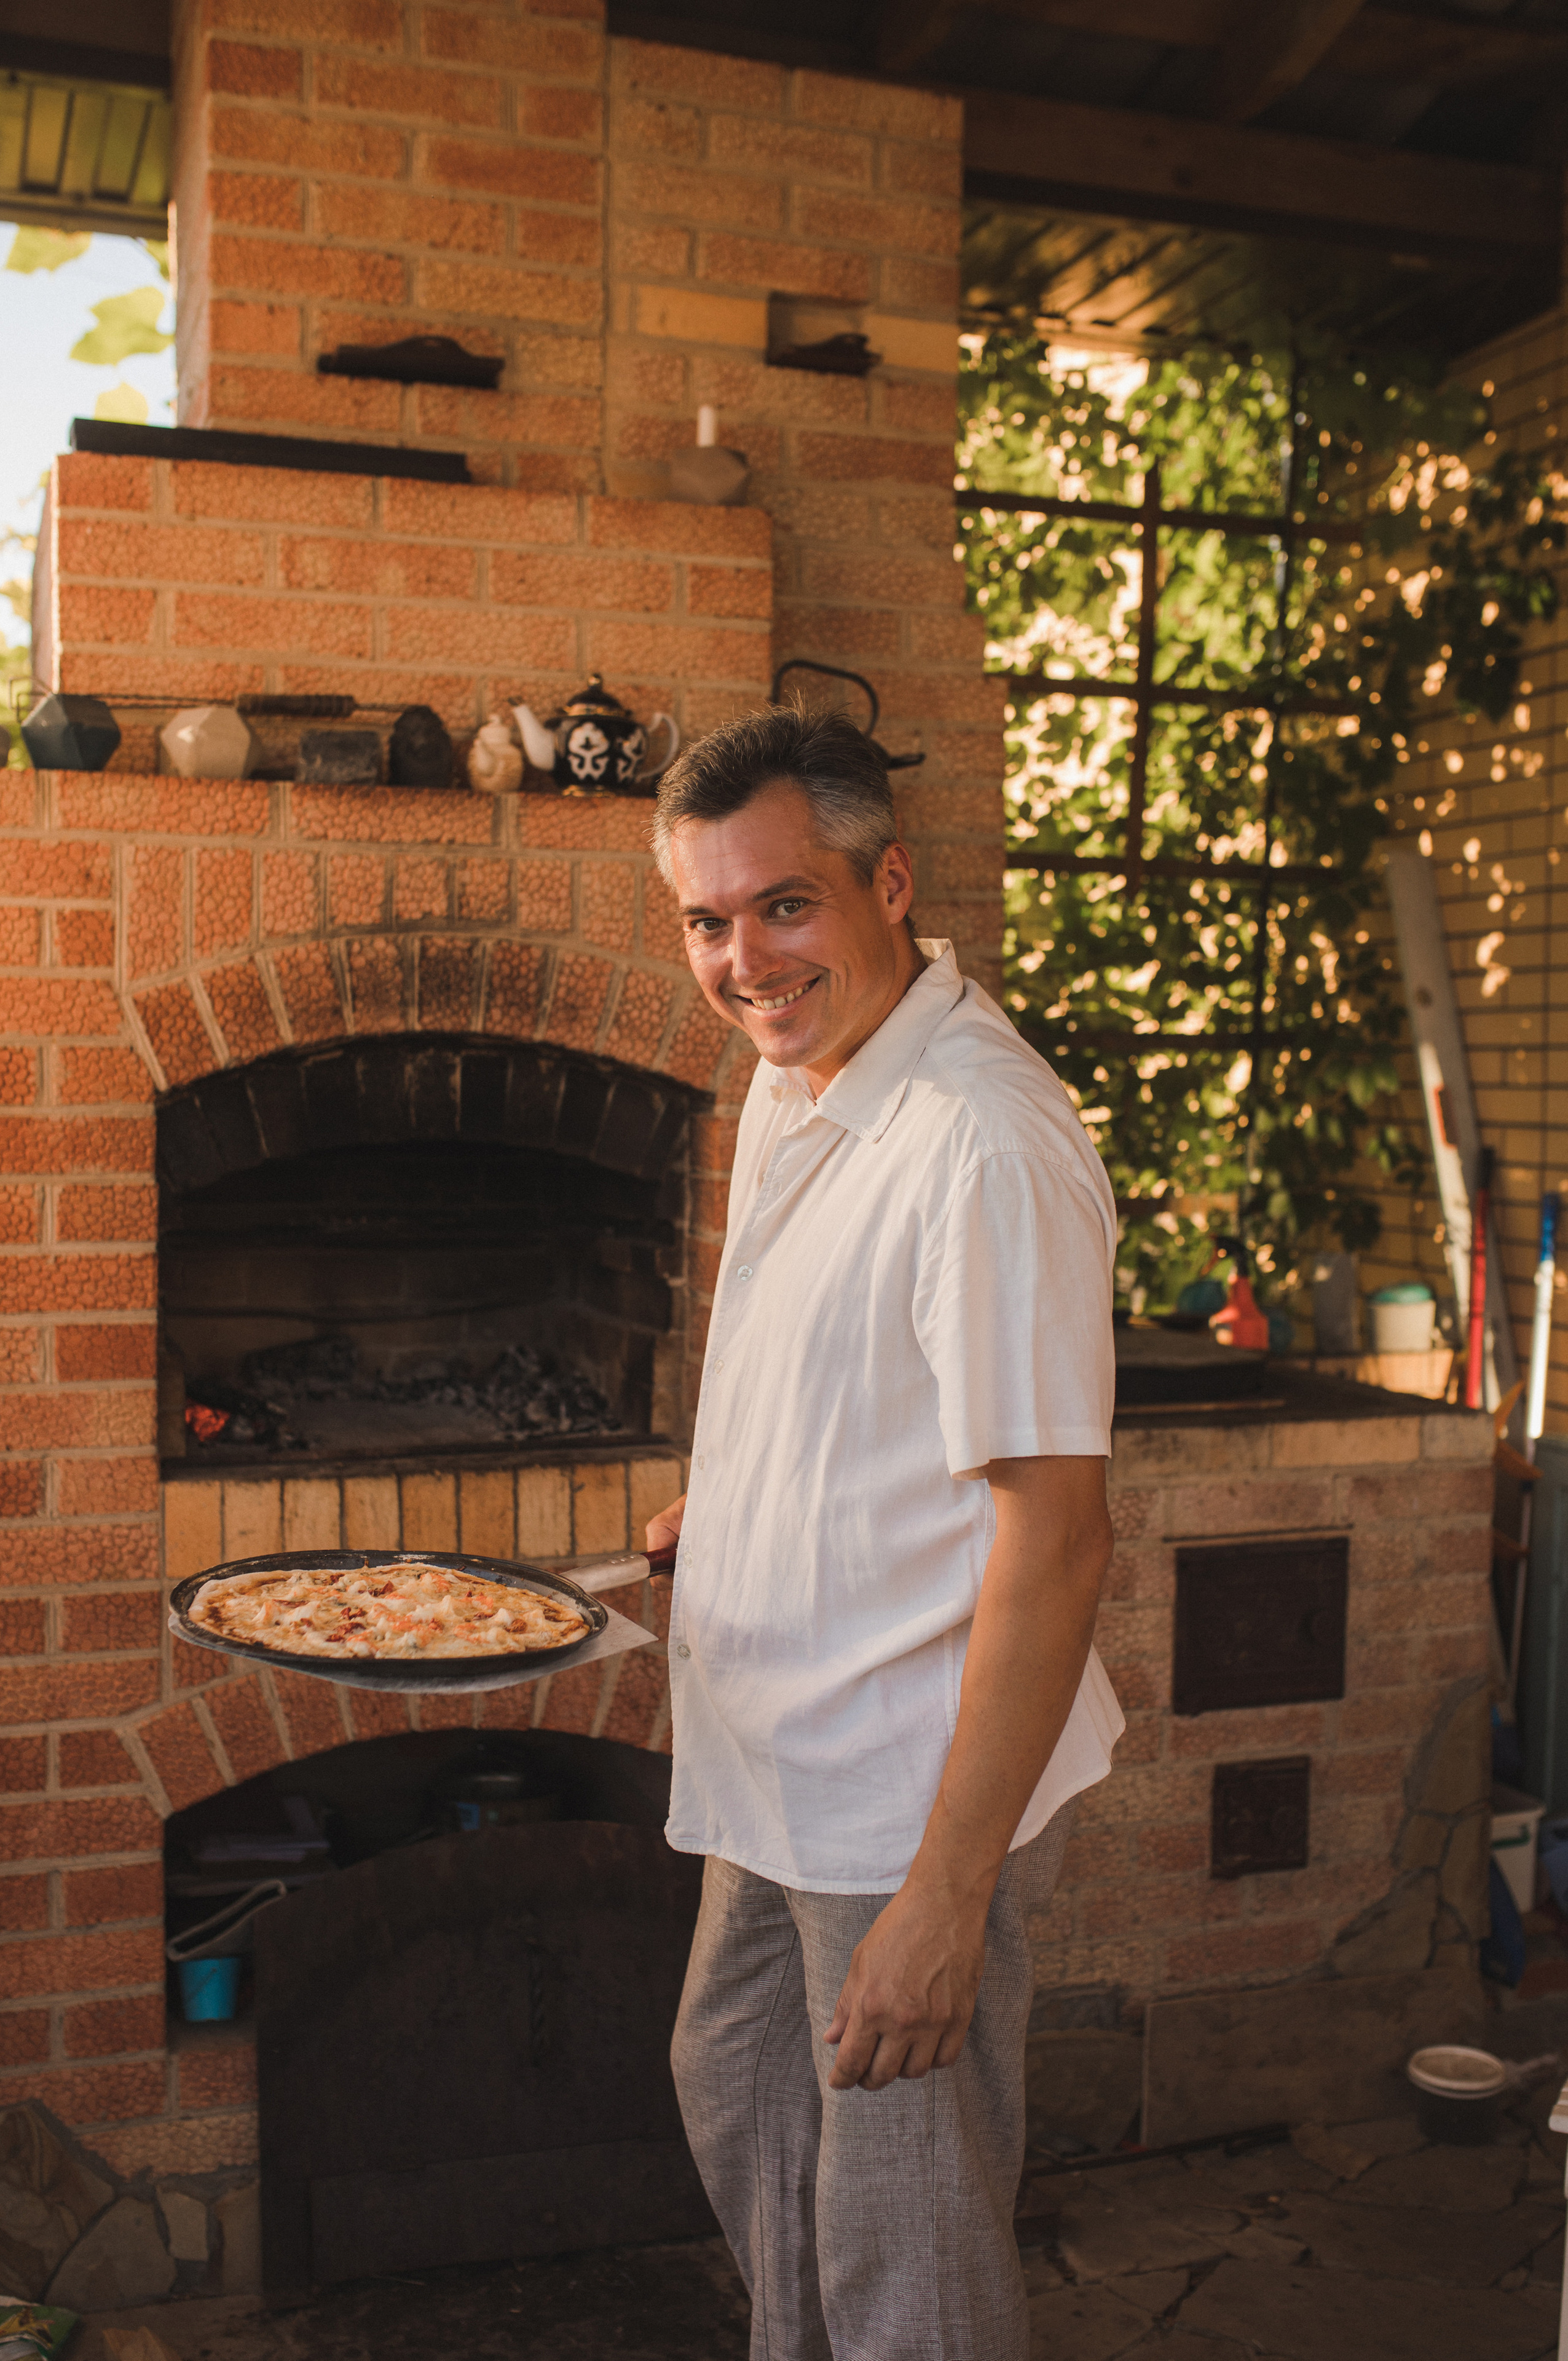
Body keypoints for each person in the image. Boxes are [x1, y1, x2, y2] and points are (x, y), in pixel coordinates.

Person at [644, 704, 1122, 2361]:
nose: (746, 959)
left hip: (905, 1788)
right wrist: (742, 1508)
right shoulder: (803, 1070)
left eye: (785, 905)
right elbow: (855, 1382)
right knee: (737, 2091)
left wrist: (947, 1901)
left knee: (900, 2246)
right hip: (778, 1745)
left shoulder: (982, 1146)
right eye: (709, 919)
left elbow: (1059, 1542)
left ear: (889, 883)